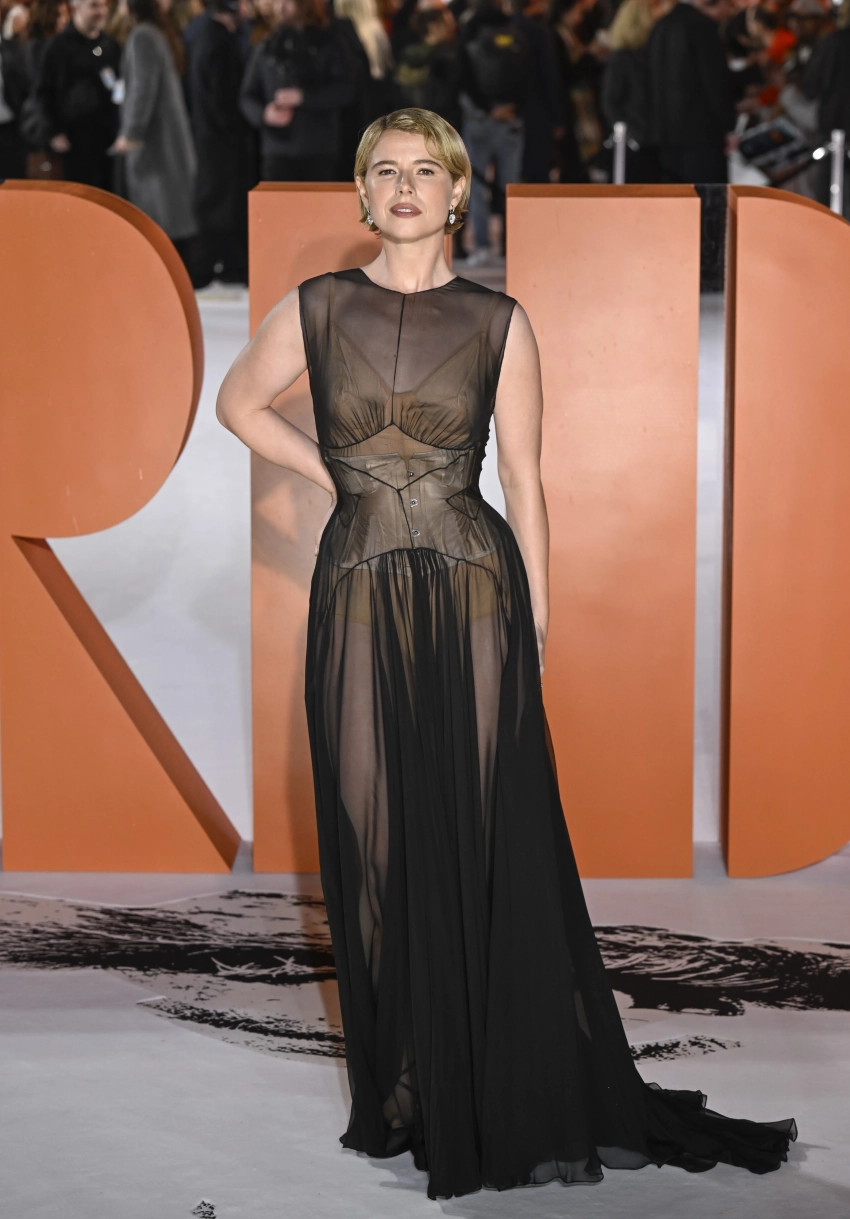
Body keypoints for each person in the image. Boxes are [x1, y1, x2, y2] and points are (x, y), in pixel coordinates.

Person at [216, 105, 797, 1201]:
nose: (404, 187)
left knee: (486, 834)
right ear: (363, 193)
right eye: (385, 171)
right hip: (357, 589)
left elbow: (525, 483)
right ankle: (411, 1079)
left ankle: (497, 1076)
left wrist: (537, 619)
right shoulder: (318, 307)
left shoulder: (499, 322)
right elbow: (236, 404)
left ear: (456, 194)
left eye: (424, 172)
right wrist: (333, 474)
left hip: (475, 591)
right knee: (374, 832)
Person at [112, 0, 197, 245]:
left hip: (155, 146)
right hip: (167, 142)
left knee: (156, 223)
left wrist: (131, 133)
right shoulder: (158, 33)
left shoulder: (142, 36)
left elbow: (142, 88)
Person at [240, 0, 351, 182]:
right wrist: (264, 114)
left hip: (318, 149)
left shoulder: (329, 43)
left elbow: (346, 90)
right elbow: (247, 96)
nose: (281, 6)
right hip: (277, 150)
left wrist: (303, 97)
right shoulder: (267, 47)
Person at [459, 0, 531, 260]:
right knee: (510, 185)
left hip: (478, 119)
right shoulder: (518, 36)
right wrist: (513, 108)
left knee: (477, 185)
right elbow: (528, 78)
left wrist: (489, 109)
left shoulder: (469, 34)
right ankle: (511, 246)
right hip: (512, 119)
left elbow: (464, 79)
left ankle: (482, 245)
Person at [189, 0, 254, 283]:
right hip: (221, 140)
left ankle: (223, 263)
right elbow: (221, 96)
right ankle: (220, 265)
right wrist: (236, 129)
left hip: (210, 135)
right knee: (222, 203)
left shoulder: (206, 36)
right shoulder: (219, 42)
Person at [647, 0, 736, 183]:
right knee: (707, 195)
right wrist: (728, 126)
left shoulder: (659, 27)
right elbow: (715, 81)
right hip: (702, 133)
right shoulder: (702, 26)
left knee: (678, 197)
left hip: (666, 134)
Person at [36, 0, 121, 189]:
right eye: (94, 6)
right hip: (74, 142)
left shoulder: (110, 45)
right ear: (76, 8)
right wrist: (54, 131)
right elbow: (43, 93)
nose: (101, 11)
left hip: (108, 140)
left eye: (103, 6)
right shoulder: (57, 47)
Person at [601, 0, 661, 181]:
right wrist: (629, 132)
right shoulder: (622, 58)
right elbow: (611, 100)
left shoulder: (647, 55)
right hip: (634, 141)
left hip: (650, 138)